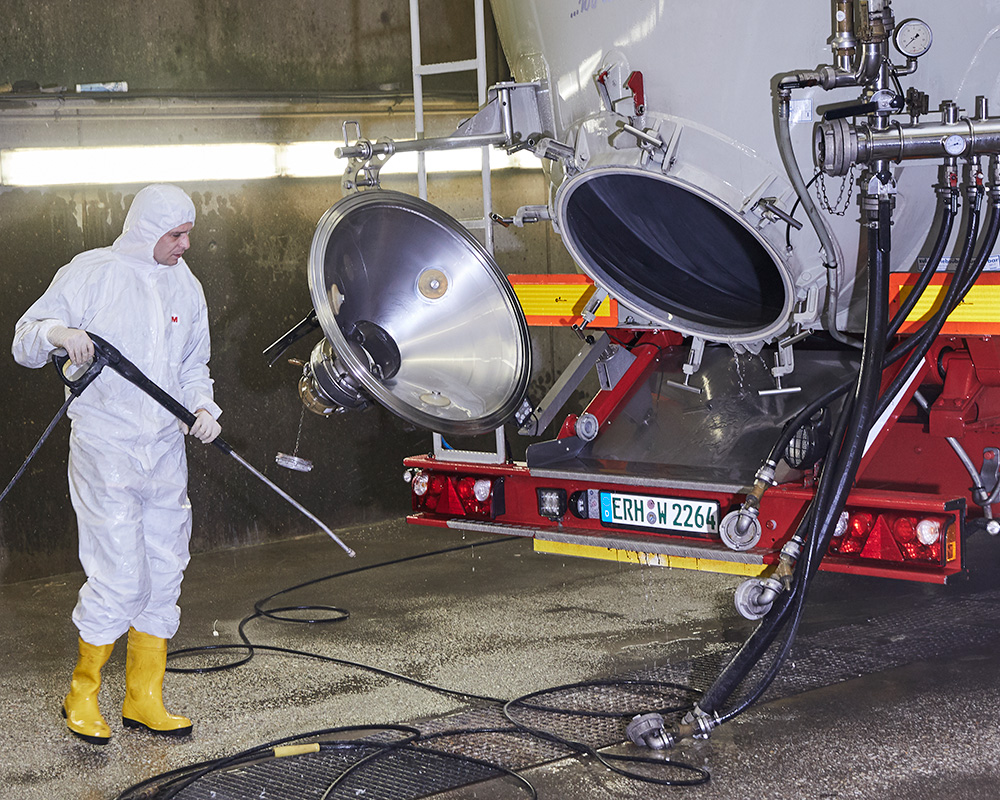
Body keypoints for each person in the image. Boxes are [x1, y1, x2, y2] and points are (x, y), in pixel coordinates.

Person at [11, 184, 222, 745]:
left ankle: (143, 698)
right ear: (147, 230)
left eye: (188, 234)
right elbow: (25, 340)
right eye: (175, 235)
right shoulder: (91, 272)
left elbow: (193, 362)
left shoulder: (186, 285)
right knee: (121, 576)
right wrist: (60, 333)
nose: (184, 245)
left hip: (163, 451)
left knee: (165, 566)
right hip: (107, 448)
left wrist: (201, 407)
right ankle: (82, 694)